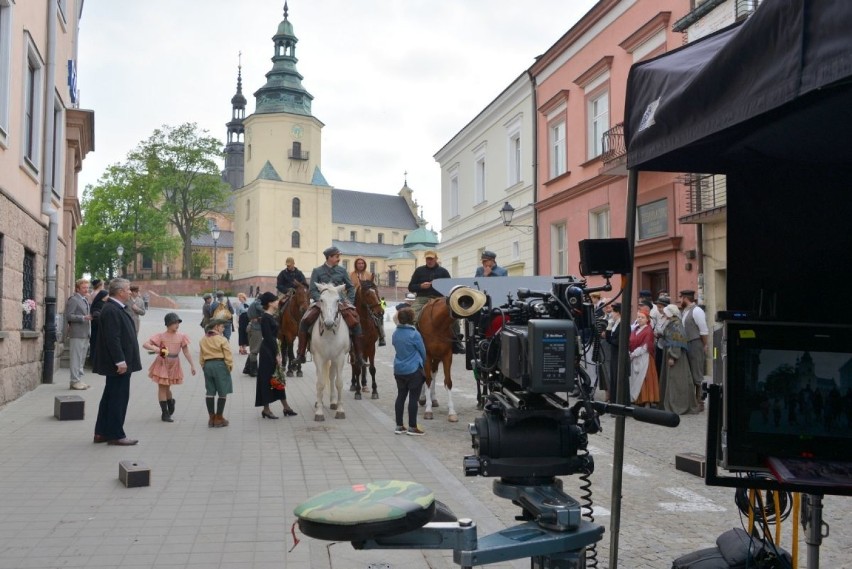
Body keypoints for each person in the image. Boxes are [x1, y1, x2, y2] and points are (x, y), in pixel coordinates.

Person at [294, 246, 368, 365]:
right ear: (329, 257)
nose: (338, 259)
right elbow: (312, 290)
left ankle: (359, 356)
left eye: (338, 256)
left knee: (355, 322)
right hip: (322, 302)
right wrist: (322, 300)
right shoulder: (317, 271)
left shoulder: (342, 271)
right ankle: (301, 354)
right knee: (305, 321)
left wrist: (349, 300)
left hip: (340, 302)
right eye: (336, 256)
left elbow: (350, 288)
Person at [92, 278, 142, 445]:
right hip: (118, 365)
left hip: (118, 363)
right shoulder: (112, 309)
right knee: (118, 399)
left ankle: (102, 432)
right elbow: (113, 339)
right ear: (120, 292)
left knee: (109, 397)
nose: (130, 292)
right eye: (128, 290)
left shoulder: (114, 308)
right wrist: (120, 361)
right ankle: (115, 434)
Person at [142, 312, 196, 422]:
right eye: (174, 323)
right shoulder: (161, 336)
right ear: (168, 324)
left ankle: (170, 401)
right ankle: (165, 413)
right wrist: (155, 348)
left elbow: (186, 352)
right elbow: (145, 344)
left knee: (167, 388)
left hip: (174, 363)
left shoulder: (181, 336)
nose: (177, 325)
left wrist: (192, 365)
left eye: (178, 323)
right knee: (162, 387)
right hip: (162, 362)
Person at [408, 250, 463, 354]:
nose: (429, 261)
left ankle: (456, 341)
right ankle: (413, 341)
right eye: (428, 259)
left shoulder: (443, 271)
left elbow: (449, 287)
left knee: (454, 315)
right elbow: (410, 287)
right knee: (412, 315)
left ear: (436, 259)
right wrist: (420, 286)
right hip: (422, 298)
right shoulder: (419, 271)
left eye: (431, 259)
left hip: (440, 298)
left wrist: (439, 285)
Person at [255, 292, 297, 418]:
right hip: (268, 351)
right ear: (269, 303)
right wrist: (277, 354)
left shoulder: (271, 316)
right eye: (275, 300)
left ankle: (286, 407)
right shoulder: (265, 318)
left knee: (277, 378)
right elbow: (268, 337)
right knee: (267, 379)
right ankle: (266, 409)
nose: (277, 302)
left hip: (272, 348)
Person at [659, 304, 700, 415]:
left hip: (676, 357)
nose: (664, 315)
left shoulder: (676, 325)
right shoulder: (671, 323)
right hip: (669, 353)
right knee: (673, 380)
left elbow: (677, 342)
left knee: (676, 381)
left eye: (666, 313)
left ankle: (678, 405)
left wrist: (673, 356)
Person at [392, 307, 426, 436]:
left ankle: (399, 425)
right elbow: (423, 352)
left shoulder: (395, 333)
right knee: (413, 398)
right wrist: (423, 364)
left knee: (400, 396)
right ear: (411, 319)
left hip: (399, 369)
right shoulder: (414, 334)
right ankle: (412, 427)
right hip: (413, 370)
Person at [199, 317, 234, 427]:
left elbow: (201, 357)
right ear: (216, 327)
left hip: (208, 365)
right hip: (220, 365)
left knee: (210, 391)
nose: (223, 328)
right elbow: (228, 355)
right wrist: (229, 367)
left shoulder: (203, 339)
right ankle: (219, 417)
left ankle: (211, 418)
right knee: (222, 391)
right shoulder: (222, 339)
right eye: (222, 326)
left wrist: (204, 366)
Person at [679, 289, 708, 410]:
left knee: (697, 371)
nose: (680, 300)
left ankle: (699, 401)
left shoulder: (697, 311)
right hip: (688, 343)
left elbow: (703, 330)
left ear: (685, 298)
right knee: (690, 371)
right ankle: (692, 400)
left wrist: (705, 345)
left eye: (681, 298)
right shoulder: (686, 311)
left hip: (695, 342)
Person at [350, 257, 386, 347]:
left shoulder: (369, 275)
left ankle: (381, 336)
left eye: (362, 263)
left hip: (368, 299)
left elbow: (374, 288)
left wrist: (377, 300)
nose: (361, 265)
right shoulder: (350, 275)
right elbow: (348, 288)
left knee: (379, 314)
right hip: (354, 299)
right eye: (359, 263)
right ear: (355, 264)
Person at [628, 306, 659, 407]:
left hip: (644, 357)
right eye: (638, 317)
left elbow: (645, 346)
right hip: (634, 357)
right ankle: (637, 399)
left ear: (647, 319)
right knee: (635, 378)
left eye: (642, 317)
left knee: (645, 379)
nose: (640, 319)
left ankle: (647, 400)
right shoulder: (635, 329)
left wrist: (633, 354)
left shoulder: (648, 330)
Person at [65, 278, 92, 390]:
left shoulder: (84, 299)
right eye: (84, 288)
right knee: (76, 358)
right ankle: (74, 381)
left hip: (85, 333)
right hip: (77, 333)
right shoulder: (73, 299)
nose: (86, 290)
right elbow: (69, 316)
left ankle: (78, 380)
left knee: (81, 358)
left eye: (87, 287)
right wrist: (83, 317)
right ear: (77, 288)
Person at [88, 279, 109, 366]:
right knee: (95, 345)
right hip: (96, 328)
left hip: (98, 327)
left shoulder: (101, 302)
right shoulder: (98, 304)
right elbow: (97, 314)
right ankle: (94, 362)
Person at [603, 302, 621, 403]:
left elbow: (618, 341)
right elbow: (609, 340)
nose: (612, 314)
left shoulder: (622, 324)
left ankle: (618, 402)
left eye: (613, 311)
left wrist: (611, 338)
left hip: (619, 355)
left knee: (617, 379)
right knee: (613, 379)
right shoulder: (615, 323)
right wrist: (609, 327)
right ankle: (613, 401)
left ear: (618, 313)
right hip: (614, 354)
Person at [243, 295, 263, 377]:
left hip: (252, 327)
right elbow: (262, 309)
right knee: (254, 350)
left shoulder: (254, 303)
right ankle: (253, 371)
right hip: (256, 328)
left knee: (253, 349)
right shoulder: (257, 303)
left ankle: (247, 368)